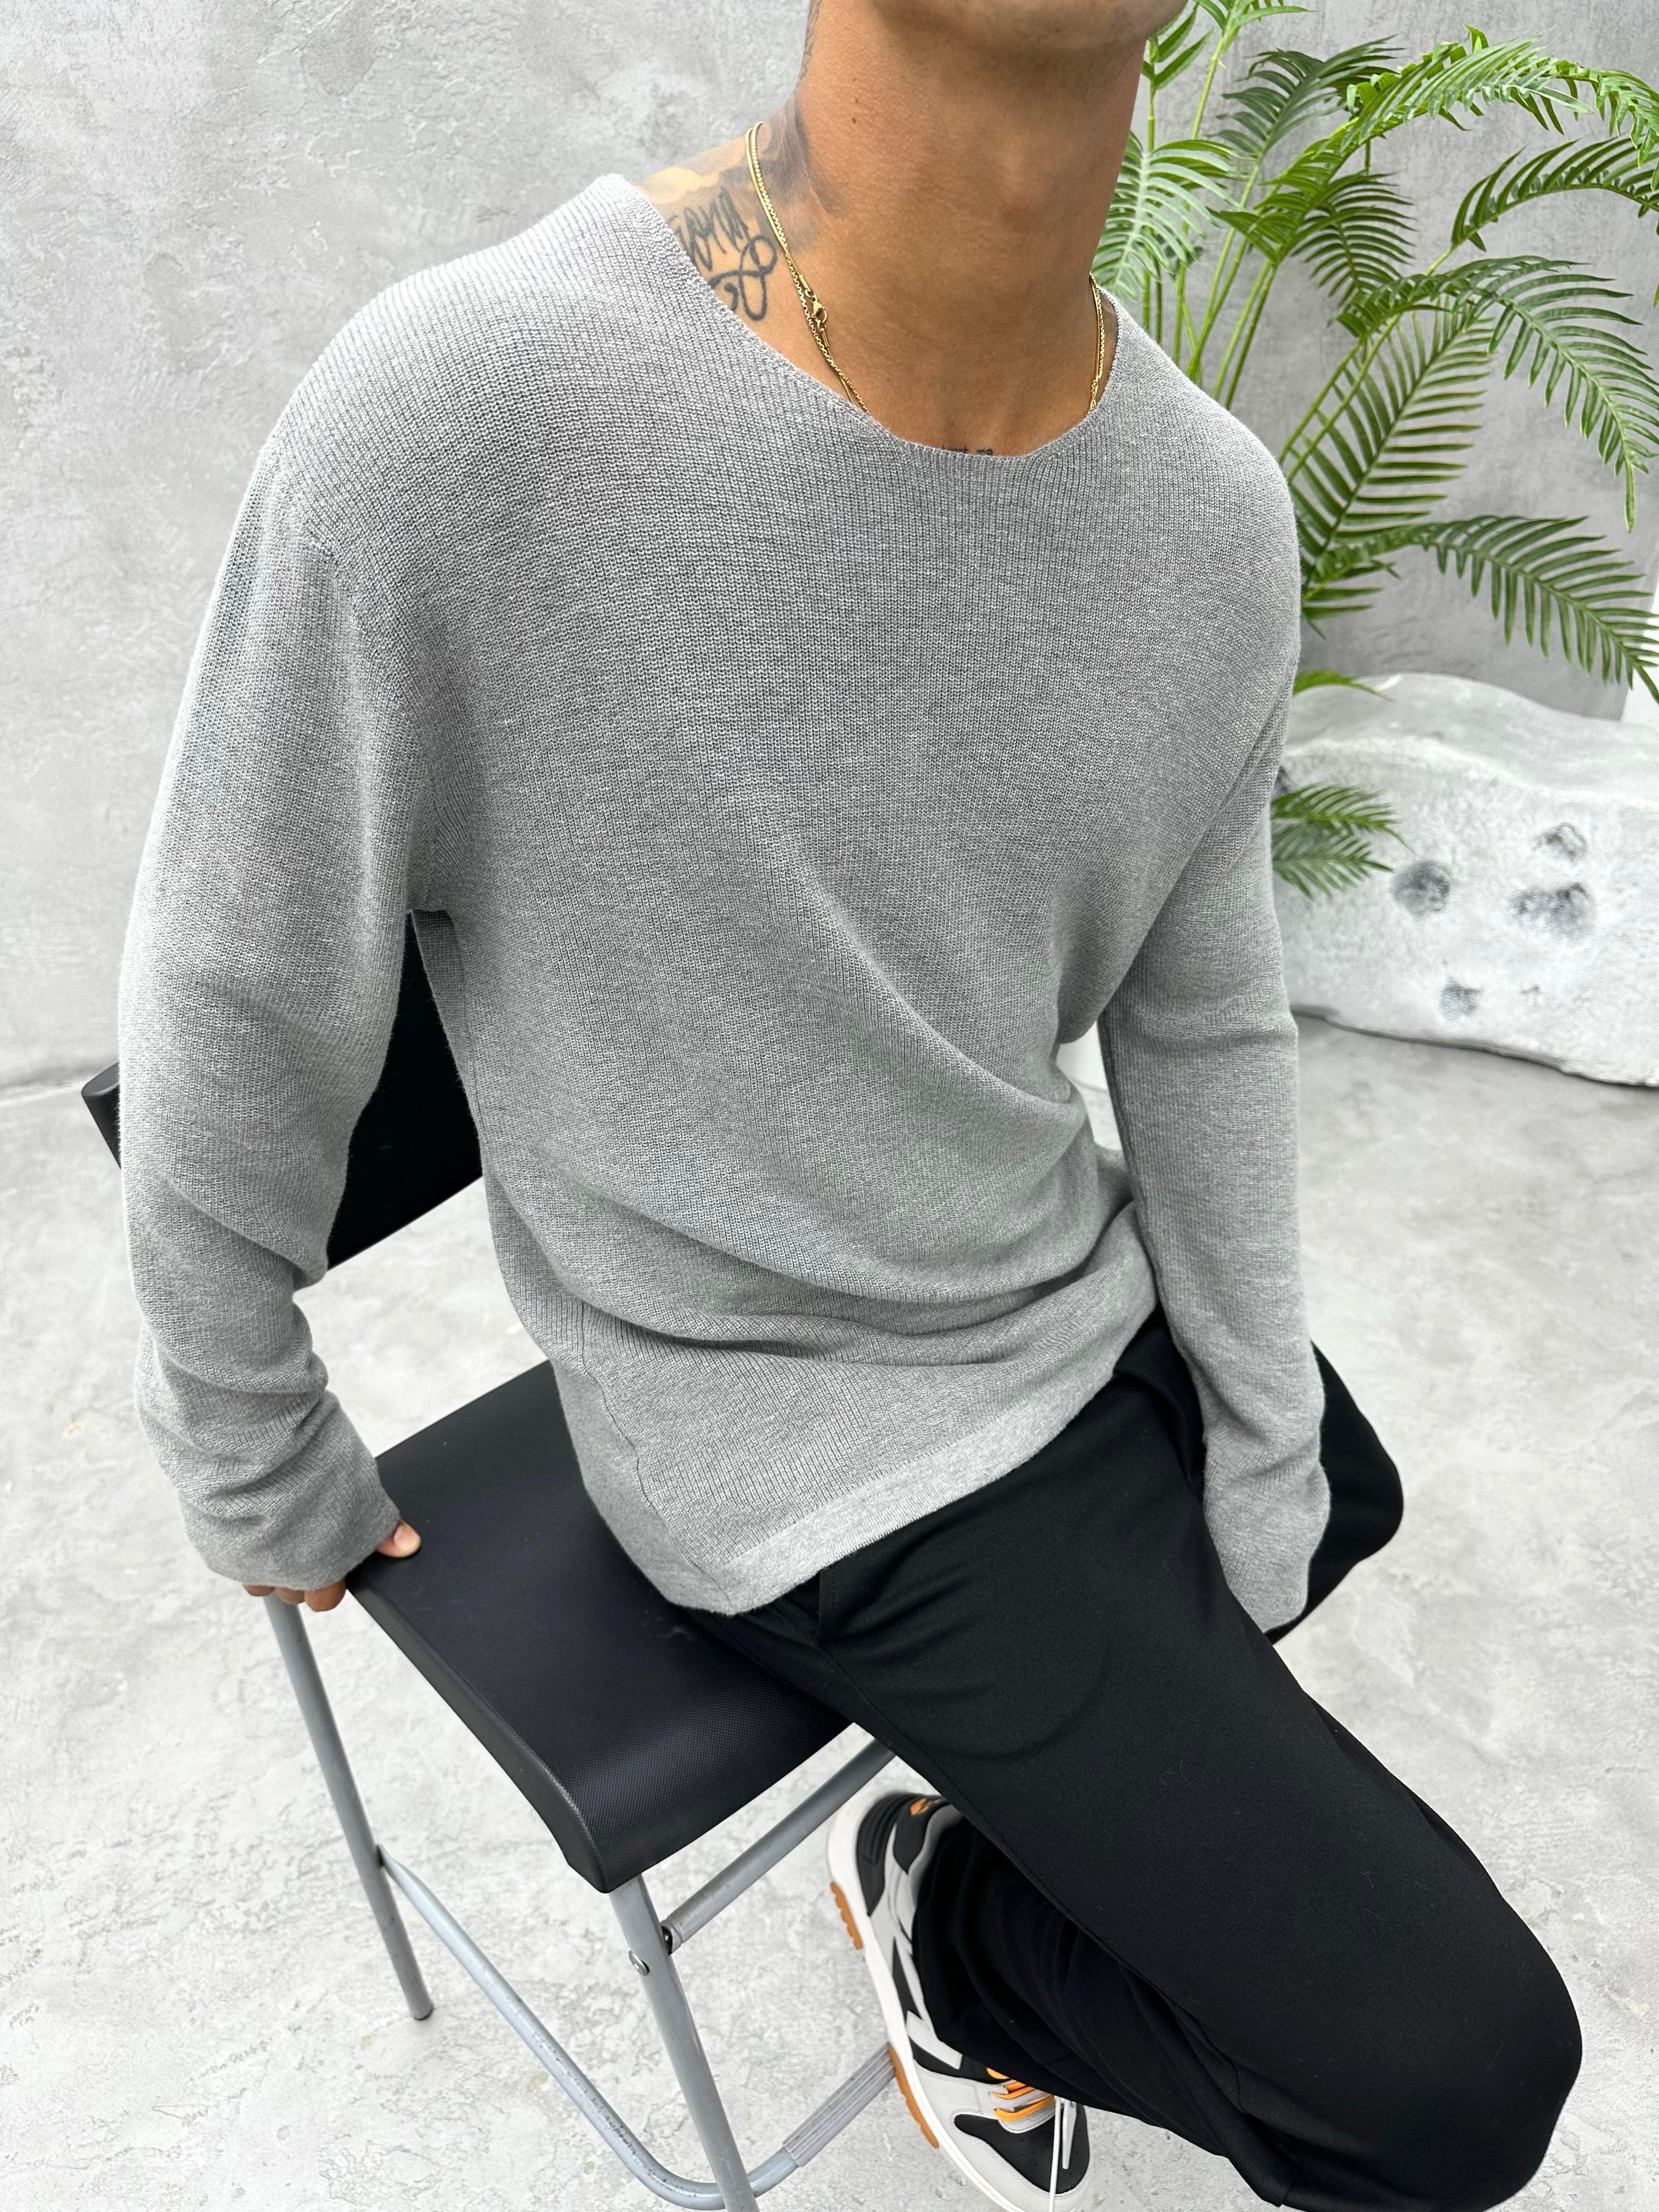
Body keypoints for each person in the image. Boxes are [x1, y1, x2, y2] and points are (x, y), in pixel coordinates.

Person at [116, 2, 1581, 2208]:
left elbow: (1202, 1022)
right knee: (1453, 2081)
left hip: (1049, 1284)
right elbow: (235, 985)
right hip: (792, 1430)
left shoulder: (1205, 514)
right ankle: (956, 1936)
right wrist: (255, 1449)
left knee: (1338, 1496)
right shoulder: (468, 412)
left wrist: (1262, 1428)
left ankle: (1008, 1827)